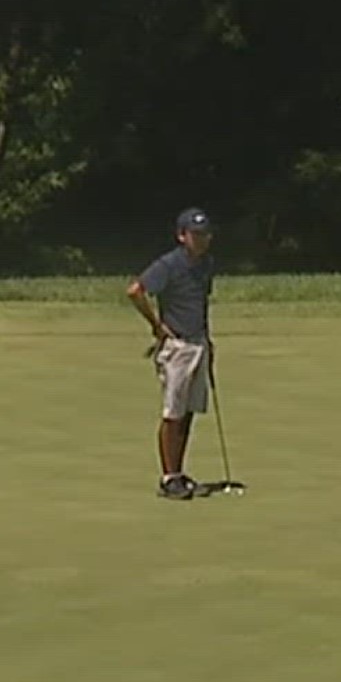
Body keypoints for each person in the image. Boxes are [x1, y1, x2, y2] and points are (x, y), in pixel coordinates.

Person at [126, 207, 218, 500]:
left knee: (189, 412)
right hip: (177, 346)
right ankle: (168, 479)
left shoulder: (206, 264)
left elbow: (201, 305)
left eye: (205, 234)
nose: (201, 240)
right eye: (195, 234)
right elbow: (135, 291)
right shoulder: (168, 264)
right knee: (173, 413)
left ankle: (179, 473)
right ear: (182, 236)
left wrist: (208, 342)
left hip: (198, 343)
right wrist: (156, 325)